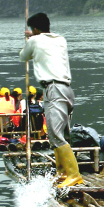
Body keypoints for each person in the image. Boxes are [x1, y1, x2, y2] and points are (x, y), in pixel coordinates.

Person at [20, 12, 82, 187]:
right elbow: (42, 45)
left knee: (55, 134)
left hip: (53, 90)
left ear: (36, 29)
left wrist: (28, 40)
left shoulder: (34, 41)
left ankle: (73, 174)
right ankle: (62, 173)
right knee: (63, 134)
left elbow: (23, 56)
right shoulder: (60, 40)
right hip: (67, 90)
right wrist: (33, 37)